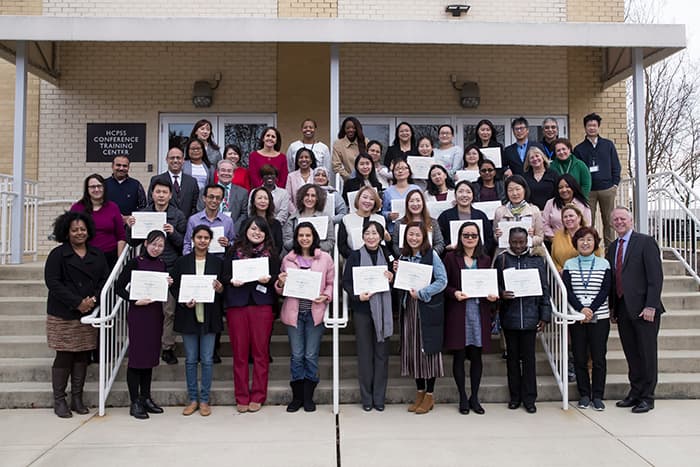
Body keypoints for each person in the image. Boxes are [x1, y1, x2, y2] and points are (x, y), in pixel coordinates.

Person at [44, 211, 109, 418]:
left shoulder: (97, 254)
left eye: (82, 229)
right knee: (64, 355)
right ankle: (59, 400)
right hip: (63, 314)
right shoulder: (58, 254)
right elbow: (53, 282)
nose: (79, 233)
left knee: (82, 354)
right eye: (75, 230)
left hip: (88, 313)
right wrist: (77, 302)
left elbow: (105, 282)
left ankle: (77, 398)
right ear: (66, 232)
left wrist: (93, 300)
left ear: (88, 230)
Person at [607, 207, 664, 413]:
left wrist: (651, 305)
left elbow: (655, 277)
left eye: (623, 218)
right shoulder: (612, 248)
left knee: (647, 354)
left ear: (631, 220)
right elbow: (614, 281)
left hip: (644, 309)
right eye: (616, 220)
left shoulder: (645, 242)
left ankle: (647, 397)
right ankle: (635, 391)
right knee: (631, 353)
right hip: (623, 309)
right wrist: (613, 308)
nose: (619, 222)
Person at [125, 179, 186, 366]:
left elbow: (184, 244)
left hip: (168, 267)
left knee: (168, 311)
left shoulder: (178, 215)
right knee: (146, 310)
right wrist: (130, 226)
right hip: (146, 269)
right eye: (157, 191)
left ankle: (167, 347)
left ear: (170, 195)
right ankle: (144, 343)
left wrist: (173, 232)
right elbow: (132, 242)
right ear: (152, 194)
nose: (161, 195)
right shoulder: (143, 214)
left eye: (164, 192)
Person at [222, 216, 279, 413]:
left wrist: (268, 280)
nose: (257, 233)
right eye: (253, 229)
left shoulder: (271, 253)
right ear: (246, 229)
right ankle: (242, 396)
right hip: (237, 304)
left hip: (261, 305)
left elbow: (277, 278)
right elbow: (224, 275)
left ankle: (258, 394)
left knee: (260, 353)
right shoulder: (233, 251)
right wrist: (232, 281)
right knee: (239, 353)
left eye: (261, 230)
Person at [276, 223, 334, 412]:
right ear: (296, 238)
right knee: (297, 355)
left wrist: (326, 296)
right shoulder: (288, 259)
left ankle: (308, 396)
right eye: (301, 235)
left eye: (308, 235)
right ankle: (297, 396)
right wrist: (280, 282)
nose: (304, 238)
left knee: (310, 355)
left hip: (314, 313)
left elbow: (331, 284)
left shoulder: (325, 258)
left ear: (314, 236)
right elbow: (281, 288)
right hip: (294, 313)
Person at [116, 230, 170, 419]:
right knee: (137, 359)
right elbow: (118, 287)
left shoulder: (163, 265)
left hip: (155, 314)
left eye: (161, 245)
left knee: (149, 359)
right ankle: (135, 401)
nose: (157, 248)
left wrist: (168, 283)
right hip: (139, 314)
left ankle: (146, 397)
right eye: (154, 244)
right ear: (146, 243)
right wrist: (133, 299)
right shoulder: (135, 262)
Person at [443, 222, 497, 414]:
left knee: (476, 356)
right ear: (460, 237)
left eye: (473, 235)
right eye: (466, 235)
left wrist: (492, 295)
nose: (470, 239)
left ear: (478, 238)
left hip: (478, 311)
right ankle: (462, 397)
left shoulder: (485, 258)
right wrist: (455, 292)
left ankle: (474, 397)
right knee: (459, 355)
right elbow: (444, 284)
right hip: (459, 311)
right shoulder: (450, 258)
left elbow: (490, 285)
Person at [495, 227, 551, 413]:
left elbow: (544, 289)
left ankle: (529, 398)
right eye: (514, 242)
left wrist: (544, 316)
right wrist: (501, 294)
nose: (518, 246)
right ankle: (515, 397)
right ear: (508, 242)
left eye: (521, 242)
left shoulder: (536, 260)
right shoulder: (502, 259)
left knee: (529, 360)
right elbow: (495, 286)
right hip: (509, 317)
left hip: (530, 317)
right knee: (512, 359)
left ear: (527, 241)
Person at [171, 225, 225, 417]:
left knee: (208, 360)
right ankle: (193, 399)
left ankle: (204, 400)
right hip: (189, 316)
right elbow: (175, 288)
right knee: (191, 360)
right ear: (192, 239)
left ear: (210, 241)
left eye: (205, 238)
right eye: (199, 237)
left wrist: (220, 289)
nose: (202, 241)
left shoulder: (217, 263)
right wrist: (184, 300)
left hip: (209, 316)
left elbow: (223, 288)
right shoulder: (181, 262)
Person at [394, 222, 447, 415]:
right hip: (409, 309)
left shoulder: (431, 255)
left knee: (428, 351)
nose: (413, 238)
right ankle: (419, 392)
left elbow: (442, 281)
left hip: (426, 308)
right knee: (413, 351)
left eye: (417, 235)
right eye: (410, 234)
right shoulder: (404, 257)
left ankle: (430, 395)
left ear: (424, 236)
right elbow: (401, 284)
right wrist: (396, 272)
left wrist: (423, 293)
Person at [342, 221, 394, 411]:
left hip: (383, 311)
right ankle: (367, 398)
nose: (371, 236)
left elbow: (397, 280)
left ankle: (379, 398)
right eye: (368, 233)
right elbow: (346, 282)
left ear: (381, 236)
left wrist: (392, 278)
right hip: (363, 310)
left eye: (375, 233)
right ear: (362, 236)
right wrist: (358, 296)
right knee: (365, 356)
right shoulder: (355, 256)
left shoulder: (388, 255)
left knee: (382, 355)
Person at [562, 226, 612, 411]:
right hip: (577, 317)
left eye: (589, 239)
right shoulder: (569, 264)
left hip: (600, 317)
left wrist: (590, 309)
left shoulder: (604, 264)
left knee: (599, 358)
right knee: (580, 357)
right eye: (581, 239)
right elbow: (567, 290)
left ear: (595, 242)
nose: (585, 243)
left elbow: (605, 290)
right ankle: (584, 394)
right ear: (576, 243)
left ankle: (598, 395)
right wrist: (581, 309)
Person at [574, 113, 621, 246]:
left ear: (598, 127)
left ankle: (610, 250)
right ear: (585, 127)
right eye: (589, 125)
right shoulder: (579, 149)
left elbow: (616, 165)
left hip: (607, 189)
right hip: (588, 191)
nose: (592, 128)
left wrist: (615, 184)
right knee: (588, 222)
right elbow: (578, 171)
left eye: (594, 125)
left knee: (609, 221)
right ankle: (590, 249)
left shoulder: (608, 145)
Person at [70, 173, 126, 269]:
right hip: (84, 256)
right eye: (92, 187)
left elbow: (121, 236)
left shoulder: (113, 207)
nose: (96, 189)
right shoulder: (77, 208)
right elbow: (70, 233)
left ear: (104, 188)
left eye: (99, 186)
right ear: (87, 190)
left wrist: (119, 260)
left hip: (109, 256)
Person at [438, 180, 495, 257]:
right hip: (453, 257)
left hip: (477, 257)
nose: (464, 195)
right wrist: (447, 247)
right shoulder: (445, 216)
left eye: (468, 192)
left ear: (473, 195)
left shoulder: (480, 215)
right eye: (460, 192)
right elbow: (439, 239)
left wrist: (481, 251)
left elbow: (489, 238)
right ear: (455, 195)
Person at [493, 175, 544, 254]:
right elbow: (495, 236)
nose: (514, 193)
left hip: (529, 254)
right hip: (505, 254)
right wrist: (497, 236)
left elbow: (540, 237)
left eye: (518, 189)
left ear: (524, 190)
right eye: (510, 190)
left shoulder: (534, 211)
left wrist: (530, 239)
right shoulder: (500, 211)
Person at [183, 184, 235, 257]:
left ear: (222, 200)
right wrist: (188, 259)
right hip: (197, 259)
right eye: (211, 197)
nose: (214, 200)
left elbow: (234, 242)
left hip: (219, 261)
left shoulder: (228, 221)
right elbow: (187, 243)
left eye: (218, 198)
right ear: (204, 198)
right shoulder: (193, 220)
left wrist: (228, 243)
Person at [283, 183, 336, 255]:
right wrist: (301, 243)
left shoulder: (326, 217)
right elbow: (286, 243)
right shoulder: (292, 218)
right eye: (307, 195)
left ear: (317, 199)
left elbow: (330, 242)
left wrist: (312, 246)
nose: (310, 198)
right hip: (297, 256)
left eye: (313, 196)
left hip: (319, 256)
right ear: (302, 197)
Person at [390, 189, 445, 257]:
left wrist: (430, 255)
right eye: (411, 201)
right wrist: (404, 256)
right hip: (406, 261)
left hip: (428, 261)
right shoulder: (399, 223)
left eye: (418, 200)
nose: (415, 204)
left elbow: (440, 243)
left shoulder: (432, 222)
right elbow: (395, 244)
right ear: (407, 204)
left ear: (423, 203)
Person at [149, 146, 200, 218]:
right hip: (164, 224)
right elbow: (151, 204)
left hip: (186, 224)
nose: (175, 160)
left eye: (178, 158)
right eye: (172, 158)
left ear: (183, 160)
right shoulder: (156, 179)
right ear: (166, 160)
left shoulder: (192, 181)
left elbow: (195, 206)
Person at [338, 186, 388, 258]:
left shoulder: (380, 219)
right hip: (353, 260)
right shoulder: (346, 219)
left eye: (371, 199)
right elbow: (342, 246)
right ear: (358, 199)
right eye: (365, 197)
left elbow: (382, 244)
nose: (367, 201)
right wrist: (356, 257)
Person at [551, 204, 602, 272]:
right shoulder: (558, 235)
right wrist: (560, 271)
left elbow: (597, 254)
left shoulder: (589, 233)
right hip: (561, 277)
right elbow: (553, 258)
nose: (568, 219)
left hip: (585, 274)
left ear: (579, 217)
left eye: (571, 216)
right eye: (565, 217)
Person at [542, 174, 592, 242]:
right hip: (554, 241)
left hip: (578, 243)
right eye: (560, 187)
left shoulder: (583, 205)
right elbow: (544, 224)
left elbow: (587, 226)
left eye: (567, 186)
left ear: (573, 188)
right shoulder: (550, 203)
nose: (564, 190)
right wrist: (554, 238)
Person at [382, 159, 421, 233]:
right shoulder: (388, 191)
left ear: (409, 171)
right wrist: (389, 215)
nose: (400, 171)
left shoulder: (416, 188)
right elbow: (383, 211)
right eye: (397, 169)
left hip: (415, 229)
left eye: (403, 168)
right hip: (394, 230)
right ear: (393, 173)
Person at [104, 154, 146, 223]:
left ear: (128, 167)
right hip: (108, 225)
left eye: (124, 166)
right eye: (118, 165)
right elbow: (98, 206)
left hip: (130, 227)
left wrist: (129, 217)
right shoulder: (103, 184)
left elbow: (143, 207)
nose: (121, 168)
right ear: (112, 166)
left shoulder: (136, 185)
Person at [215, 159, 249, 236]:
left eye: (229, 171)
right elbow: (200, 209)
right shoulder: (207, 190)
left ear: (233, 174)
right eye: (223, 170)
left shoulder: (243, 192)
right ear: (217, 173)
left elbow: (244, 214)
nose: (226, 173)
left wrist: (232, 229)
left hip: (233, 234)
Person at [249, 186, 283, 257]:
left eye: (266, 198)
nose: (263, 201)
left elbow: (278, 247)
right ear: (253, 201)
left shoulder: (276, 224)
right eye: (259, 198)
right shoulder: (246, 223)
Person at [522, 146, 558, 211]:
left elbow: (557, 193)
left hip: (551, 210)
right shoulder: (525, 177)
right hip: (531, 212)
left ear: (543, 157)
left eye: (537, 156)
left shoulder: (553, 174)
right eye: (532, 158)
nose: (535, 159)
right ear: (529, 162)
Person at [332, 116, 367, 181]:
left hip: (366, 179)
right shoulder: (338, 144)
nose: (351, 130)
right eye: (348, 128)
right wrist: (350, 178)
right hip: (350, 181)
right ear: (344, 129)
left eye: (353, 128)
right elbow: (336, 166)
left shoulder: (365, 142)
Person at [286, 147, 317, 214]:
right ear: (297, 160)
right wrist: (296, 213)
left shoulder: (317, 175)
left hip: (315, 214)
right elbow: (287, 199)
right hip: (296, 214)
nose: (304, 159)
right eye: (301, 157)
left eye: (306, 157)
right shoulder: (291, 176)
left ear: (311, 160)